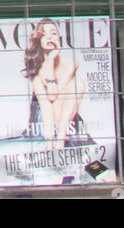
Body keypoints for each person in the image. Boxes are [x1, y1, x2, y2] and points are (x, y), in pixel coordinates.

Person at [21, 19, 85, 148]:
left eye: (54, 33)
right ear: (39, 40)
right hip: (46, 118)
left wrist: (59, 139)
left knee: (77, 83)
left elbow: (55, 94)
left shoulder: (70, 63)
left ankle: (61, 137)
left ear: (59, 39)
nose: (50, 37)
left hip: (65, 115)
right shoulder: (35, 69)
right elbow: (48, 101)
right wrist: (49, 62)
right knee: (66, 89)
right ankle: (58, 138)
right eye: (44, 34)